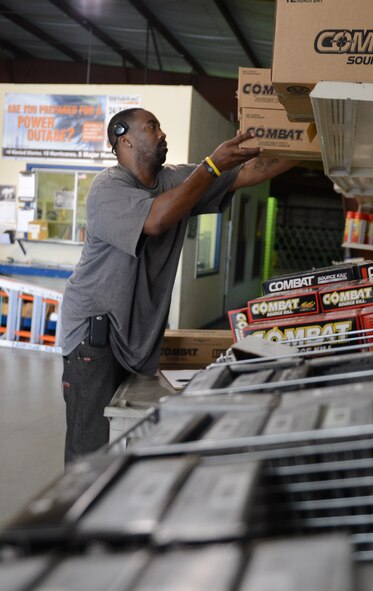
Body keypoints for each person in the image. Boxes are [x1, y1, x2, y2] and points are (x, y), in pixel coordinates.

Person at [60, 107, 297, 463]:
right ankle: (77, 514)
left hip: (134, 335)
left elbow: (247, 173)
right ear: (124, 140)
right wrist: (211, 166)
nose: (162, 133)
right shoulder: (108, 188)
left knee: (127, 432)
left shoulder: (175, 179)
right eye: (152, 127)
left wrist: (307, 143)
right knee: (90, 446)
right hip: (92, 337)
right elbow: (157, 219)